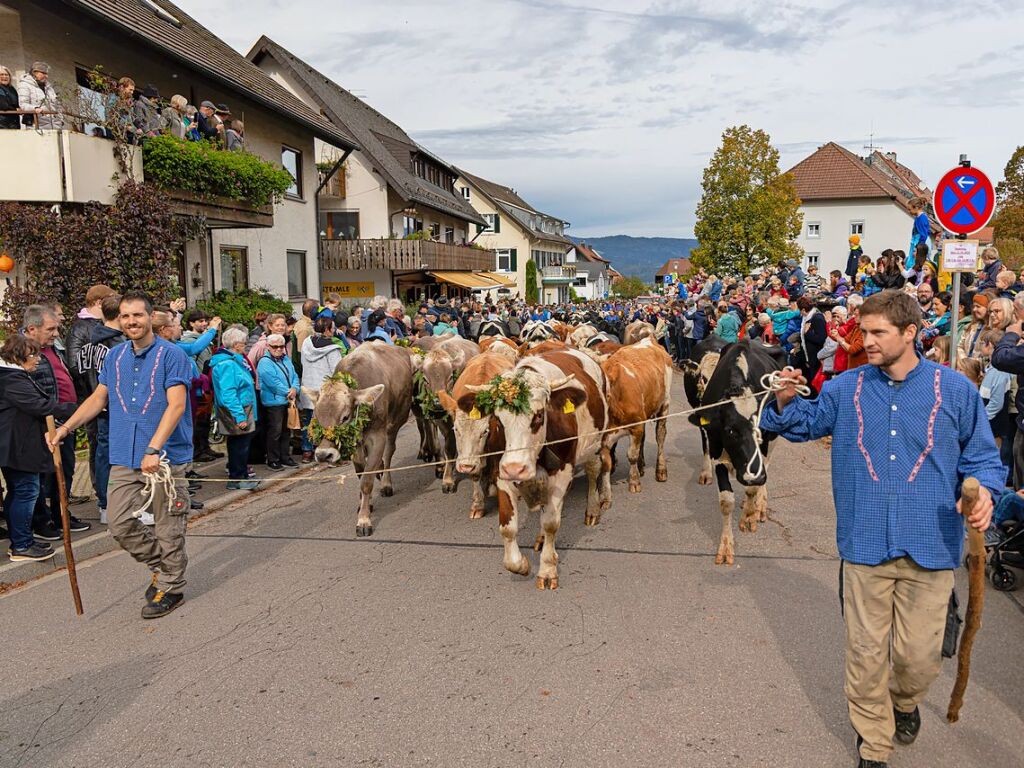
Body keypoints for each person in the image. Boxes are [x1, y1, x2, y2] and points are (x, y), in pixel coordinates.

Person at [763, 290, 1000, 768]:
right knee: (866, 656)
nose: (864, 341)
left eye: (877, 333)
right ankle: (874, 745)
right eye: (861, 331)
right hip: (864, 542)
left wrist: (987, 493)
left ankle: (906, 702)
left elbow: (982, 457)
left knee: (918, 661)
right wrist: (786, 397)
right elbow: (801, 425)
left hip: (932, 545)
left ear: (910, 333)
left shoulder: (954, 391)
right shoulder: (843, 389)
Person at [50, 291, 195, 619]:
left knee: (168, 526)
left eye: (138, 316)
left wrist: (154, 448)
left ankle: (172, 585)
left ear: (150, 318)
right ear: (118, 320)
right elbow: (98, 399)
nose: (132, 321)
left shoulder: (172, 355)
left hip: (164, 458)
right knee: (118, 523)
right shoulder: (114, 358)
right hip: (123, 453)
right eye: (126, 316)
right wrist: (65, 429)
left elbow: (176, 406)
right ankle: (163, 566)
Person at [21, 304, 87, 541]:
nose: (56, 334)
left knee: (65, 470)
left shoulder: (52, 348)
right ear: (32, 328)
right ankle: (42, 520)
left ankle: (61, 514)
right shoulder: (21, 352)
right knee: (41, 476)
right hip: (43, 425)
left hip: (64, 421)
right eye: (51, 329)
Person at [0, 335, 57, 562]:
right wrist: (77, 411)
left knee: (21, 490)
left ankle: (22, 539)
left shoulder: (13, 376)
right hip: (17, 447)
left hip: (16, 445)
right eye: (34, 354)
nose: (38, 359)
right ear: (19, 356)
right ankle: (21, 544)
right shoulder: (12, 379)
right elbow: (39, 405)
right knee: (26, 491)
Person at [78, 294, 124, 524]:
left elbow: (81, 373)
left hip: (99, 405)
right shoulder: (117, 344)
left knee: (103, 454)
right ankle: (109, 504)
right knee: (111, 457)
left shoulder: (90, 341)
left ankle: (107, 503)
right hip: (111, 406)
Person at [210, 327, 260, 491]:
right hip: (238, 410)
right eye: (243, 343)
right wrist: (240, 417)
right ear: (236, 344)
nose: (245, 346)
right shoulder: (227, 365)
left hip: (241, 407)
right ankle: (238, 477)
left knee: (238, 444)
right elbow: (228, 393)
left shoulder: (231, 361)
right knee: (239, 445)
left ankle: (240, 476)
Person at [299, 316, 344, 463]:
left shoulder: (306, 344)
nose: (334, 330)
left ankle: (307, 451)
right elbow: (336, 372)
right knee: (325, 421)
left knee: (308, 421)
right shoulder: (332, 349)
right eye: (333, 328)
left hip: (307, 387)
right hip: (324, 393)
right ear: (327, 330)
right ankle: (324, 448)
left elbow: (301, 362)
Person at [256, 333, 299, 471]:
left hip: (287, 400)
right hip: (274, 402)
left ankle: (285, 456)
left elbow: (294, 375)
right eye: (275, 347)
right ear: (268, 347)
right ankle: (273, 459)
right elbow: (272, 383)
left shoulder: (286, 359)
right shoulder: (264, 362)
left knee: (286, 431)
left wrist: (295, 388)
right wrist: (289, 392)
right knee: (275, 431)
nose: (279, 349)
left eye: (281, 346)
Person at [17, 61, 64, 130]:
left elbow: (57, 106)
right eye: (43, 73)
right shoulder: (24, 85)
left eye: (47, 74)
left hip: (55, 127)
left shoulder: (49, 87)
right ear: (34, 73)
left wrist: (61, 120)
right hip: (37, 127)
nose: (46, 76)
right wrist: (35, 108)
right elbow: (23, 104)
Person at [958, 293, 989, 360]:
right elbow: (959, 346)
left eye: (978, 307)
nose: (974, 309)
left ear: (987, 308)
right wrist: (964, 360)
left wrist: (972, 364)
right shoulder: (970, 326)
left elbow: (988, 356)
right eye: (974, 306)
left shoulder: (991, 330)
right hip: (964, 366)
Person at [907, 197, 931, 269]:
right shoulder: (918, 217)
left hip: (920, 242)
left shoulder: (922, 217)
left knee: (917, 262)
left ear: (916, 207)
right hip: (916, 241)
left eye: (910, 209)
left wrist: (918, 248)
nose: (909, 211)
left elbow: (923, 234)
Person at [0, 65, 20, 130]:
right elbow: (3, 105)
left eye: (6, 75)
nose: (4, 77)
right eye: (1, 75)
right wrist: (15, 109)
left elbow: (17, 104)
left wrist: (18, 108)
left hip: (14, 123)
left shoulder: (12, 89)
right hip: (2, 124)